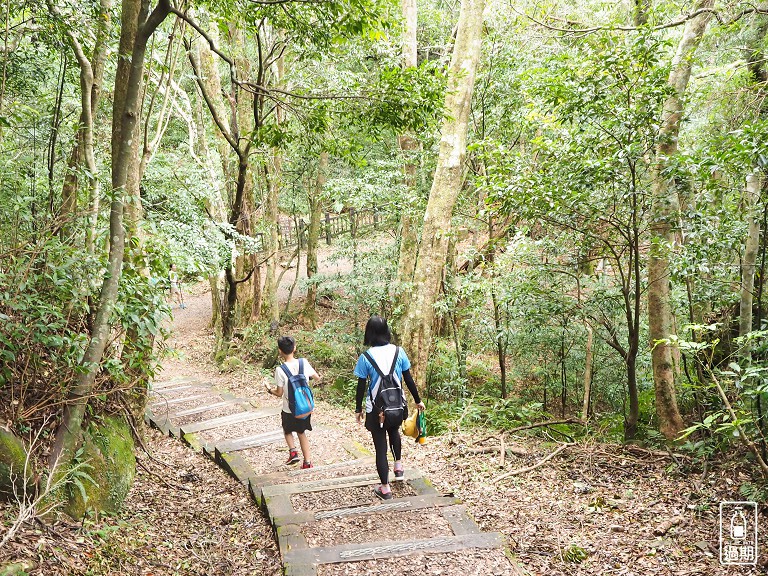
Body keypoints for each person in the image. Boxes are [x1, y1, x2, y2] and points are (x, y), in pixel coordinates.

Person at [354, 316, 425, 500]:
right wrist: (418, 400)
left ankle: (385, 488)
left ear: (369, 333)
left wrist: (358, 409)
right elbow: (408, 378)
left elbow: (361, 386)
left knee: (380, 447)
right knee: (394, 432)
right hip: (397, 405)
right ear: (386, 331)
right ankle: (399, 466)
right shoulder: (399, 352)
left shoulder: (365, 357)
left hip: (376, 410)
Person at [266, 336, 320, 469]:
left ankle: (293, 451)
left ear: (280, 351)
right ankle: (307, 462)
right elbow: (317, 377)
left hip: (289, 409)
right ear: (294, 348)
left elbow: (279, 393)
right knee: (302, 433)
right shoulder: (304, 362)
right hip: (305, 407)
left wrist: (269, 390)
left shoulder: (280, 370)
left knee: (287, 430)